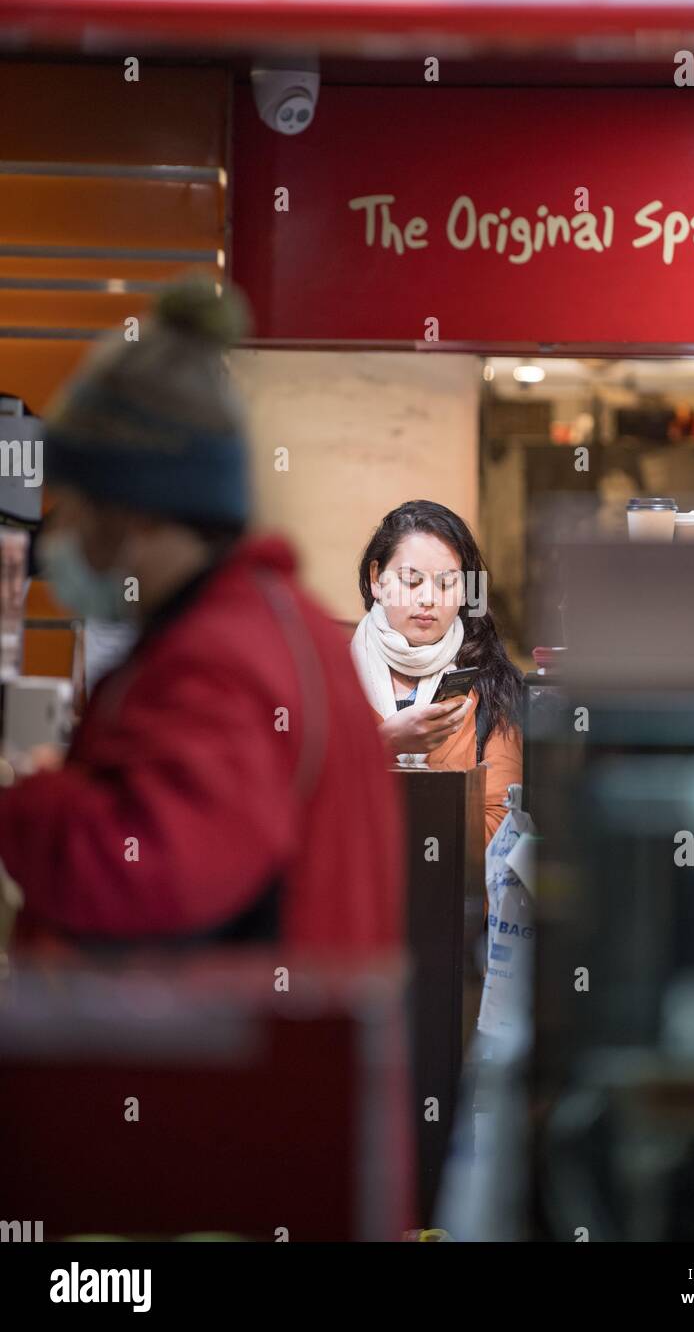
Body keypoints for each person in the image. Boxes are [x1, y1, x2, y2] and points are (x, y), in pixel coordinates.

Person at [0, 279, 402, 956]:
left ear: (134, 512)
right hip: (286, 1046)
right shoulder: (267, 622)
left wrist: (29, 801)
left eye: (69, 508)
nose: (56, 537)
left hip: (243, 1054)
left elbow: (148, 878)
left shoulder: (218, 658)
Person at [352, 500, 523, 841]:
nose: (429, 599)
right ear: (376, 579)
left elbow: (501, 827)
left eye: (446, 584)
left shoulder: (492, 686)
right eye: (411, 581)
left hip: (448, 890)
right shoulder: (331, 677)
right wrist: (383, 744)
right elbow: (296, 804)